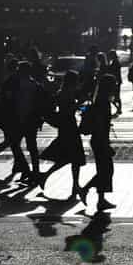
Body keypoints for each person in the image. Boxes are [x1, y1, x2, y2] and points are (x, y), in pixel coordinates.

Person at [38, 70, 86, 200]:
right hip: (68, 127)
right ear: (72, 82)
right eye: (76, 81)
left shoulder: (64, 92)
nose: (78, 83)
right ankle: (73, 185)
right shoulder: (66, 94)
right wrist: (79, 104)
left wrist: (81, 106)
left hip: (67, 126)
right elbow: (68, 110)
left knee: (71, 158)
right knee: (72, 158)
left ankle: (74, 185)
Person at [79, 74, 117, 212]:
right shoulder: (103, 102)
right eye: (113, 84)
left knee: (104, 170)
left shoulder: (99, 99)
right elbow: (100, 125)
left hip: (98, 140)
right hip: (100, 140)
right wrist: (106, 145)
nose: (115, 86)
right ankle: (86, 190)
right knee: (106, 170)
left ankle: (100, 200)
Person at [105, 50, 124, 116]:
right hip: (116, 81)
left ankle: (119, 108)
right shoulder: (115, 62)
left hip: (116, 81)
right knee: (116, 96)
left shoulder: (115, 62)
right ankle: (119, 108)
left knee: (115, 95)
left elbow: (114, 71)